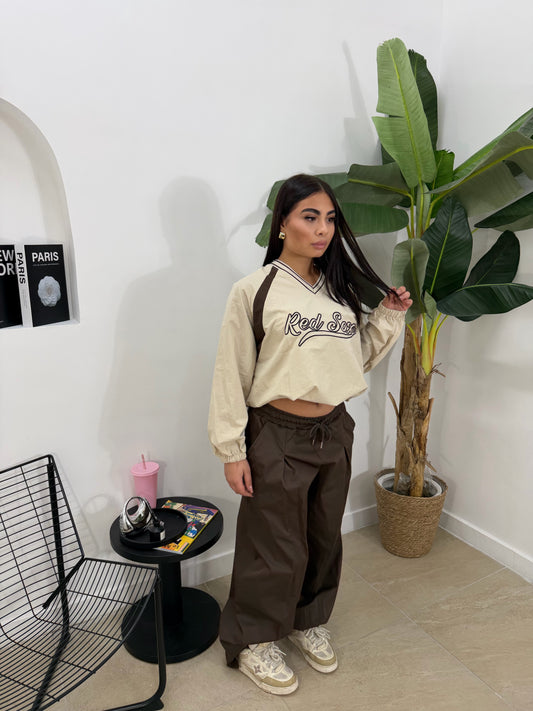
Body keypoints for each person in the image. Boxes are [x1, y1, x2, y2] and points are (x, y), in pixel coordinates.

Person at [208, 173, 412, 695]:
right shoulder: (253, 291)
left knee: (323, 537)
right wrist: (232, 450)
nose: (322, 229)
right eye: (309, 217)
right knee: (273, 544)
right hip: (276, 433)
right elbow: (231, 372)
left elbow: (354, 359)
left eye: (329, 219)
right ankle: (255, 639)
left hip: (334, 429)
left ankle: (307, 620)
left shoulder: (340, 289)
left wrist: (388, 317)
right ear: (282, 224)